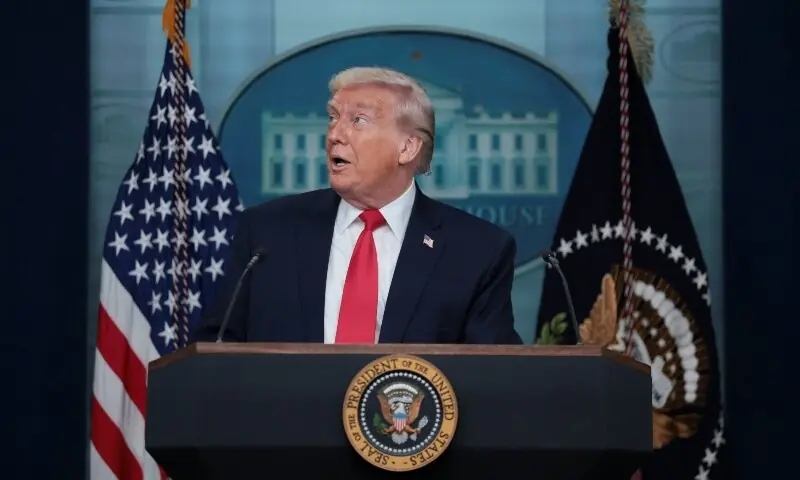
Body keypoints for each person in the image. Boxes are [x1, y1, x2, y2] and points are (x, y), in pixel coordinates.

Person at [192, 67, 522, 345]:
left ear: (407, 147)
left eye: (358, 120)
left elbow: (493, 377)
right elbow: (217, 348)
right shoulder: (267, 233)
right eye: (333, 118)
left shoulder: (477, 250)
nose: (335, 134)